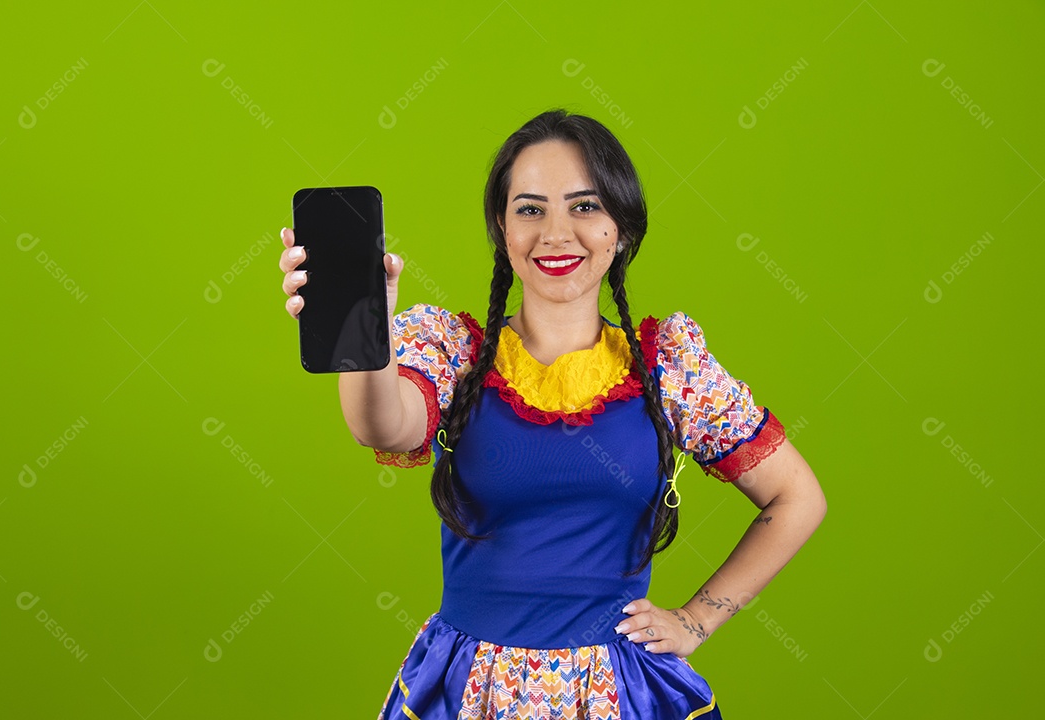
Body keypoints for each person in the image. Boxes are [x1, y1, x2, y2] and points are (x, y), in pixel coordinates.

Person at [278, 109, 826, 719]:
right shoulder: (455, 353)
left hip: (617, 694)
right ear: (502, 229)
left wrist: (696, 622)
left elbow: (797, 498)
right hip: (469, 690)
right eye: (530, 209)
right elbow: (381, 426)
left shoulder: (668, 368)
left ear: (622, 227)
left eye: (585, 206)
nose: (556, 233)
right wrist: (365, 329)